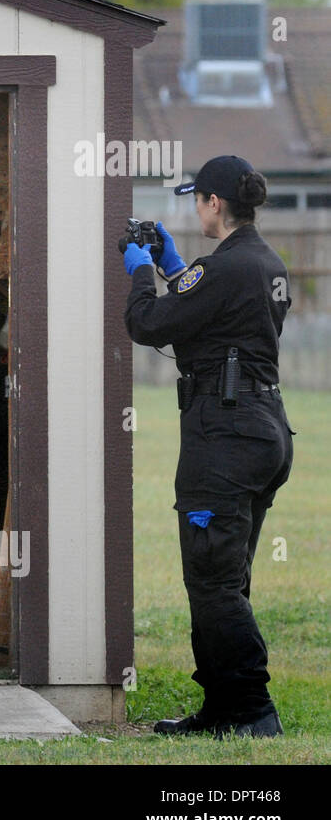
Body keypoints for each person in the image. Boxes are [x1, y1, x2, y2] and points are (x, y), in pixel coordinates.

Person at [123, 154, 295, 739]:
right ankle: (223, 708)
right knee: (227, 577)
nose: (193, 208)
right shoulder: (265, 263)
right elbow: (219, 317)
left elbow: (148, 324)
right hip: (264, 430)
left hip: (224, 437)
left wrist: (140, 271)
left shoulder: (225, 269)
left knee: (213, 581)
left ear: (214, 203)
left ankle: (251, 710)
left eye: (197, 199)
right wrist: (177, 265)